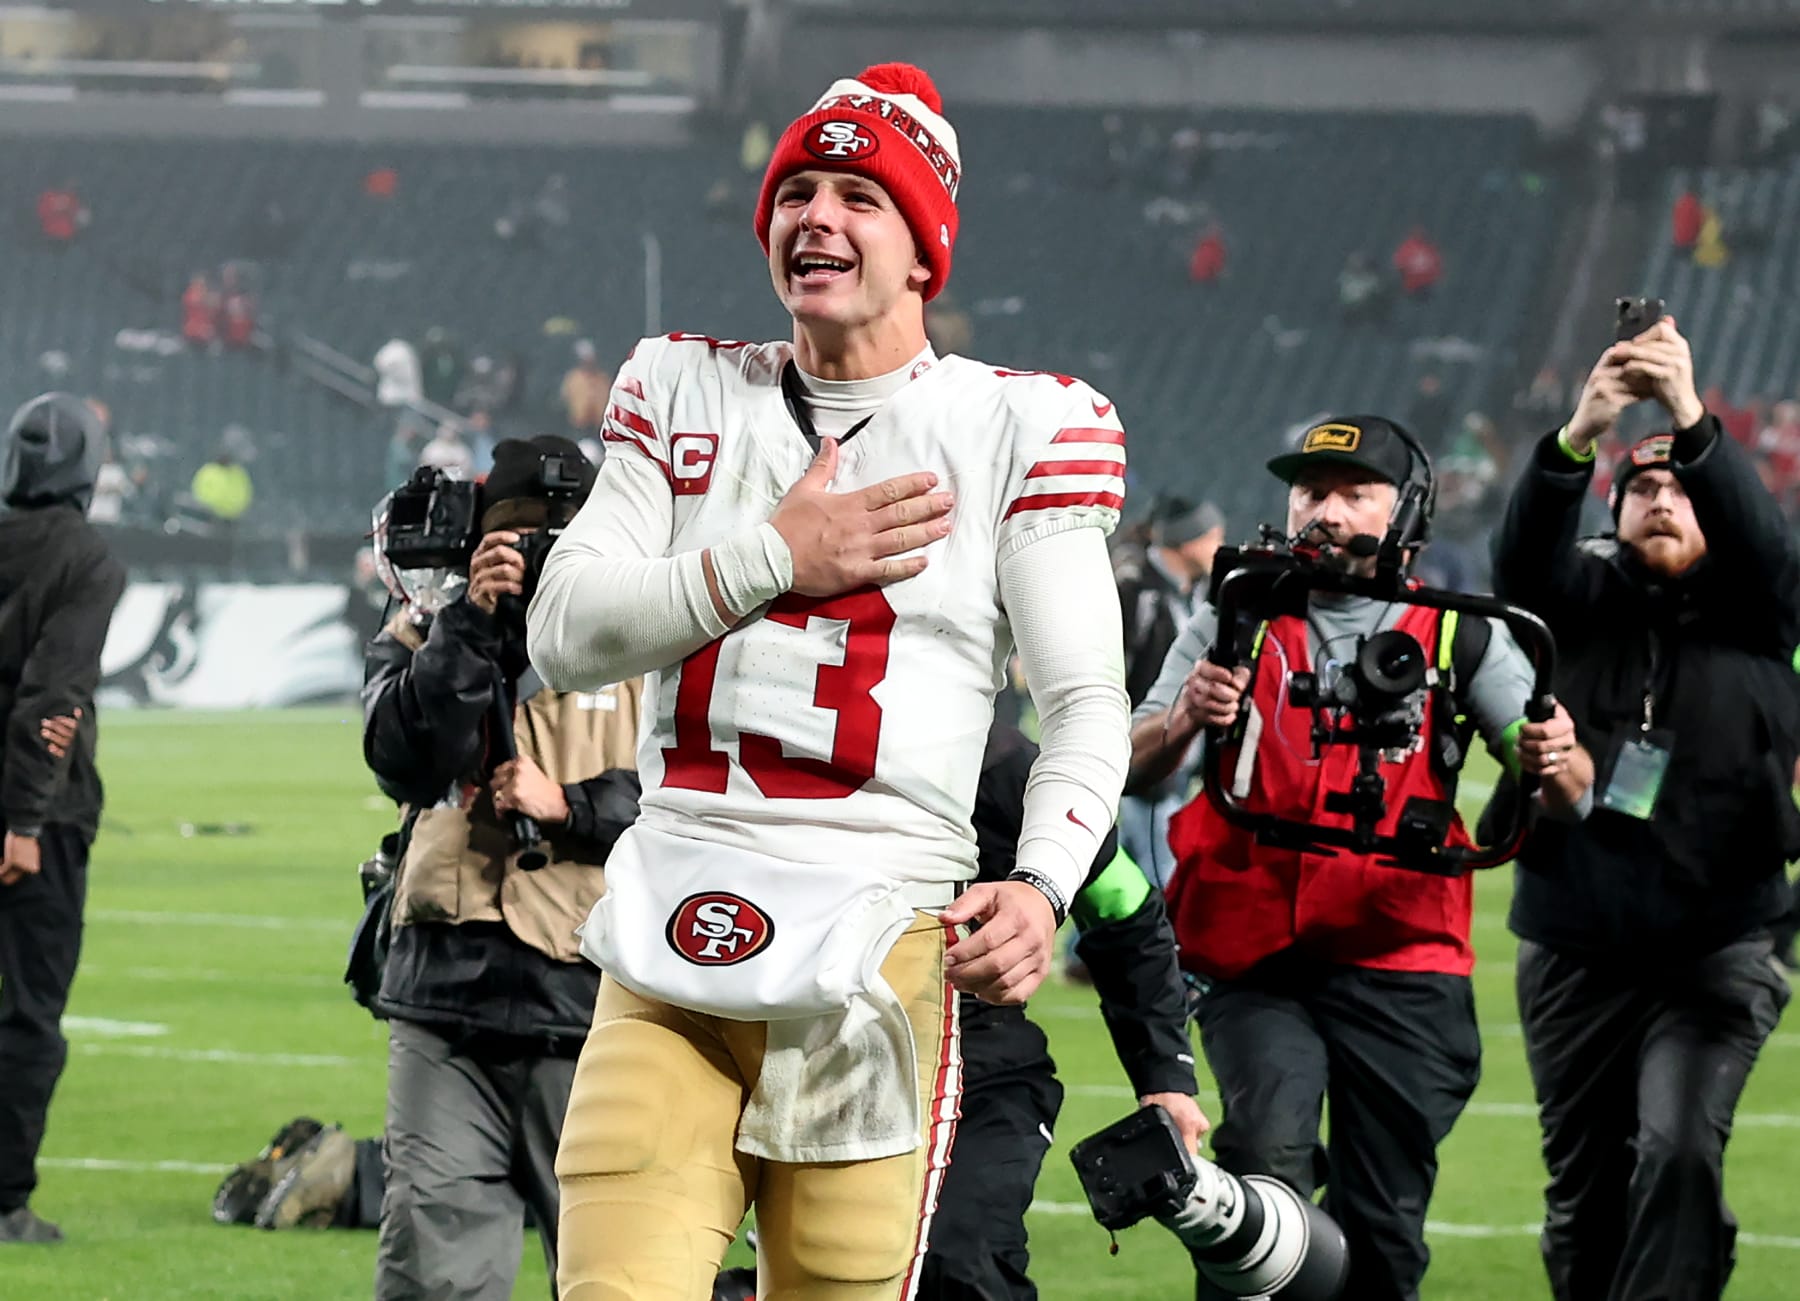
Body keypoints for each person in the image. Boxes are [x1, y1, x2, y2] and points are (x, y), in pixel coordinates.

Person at [527, 60, 1131, 1301]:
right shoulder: (681, 387)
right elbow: (564, 630)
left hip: (880, 945)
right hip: (671, 922)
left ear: (925, 251)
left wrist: (1043, 883)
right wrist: (772, 557)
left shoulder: (1017, 424)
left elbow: (1083, 703)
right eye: (796, 190)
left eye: (859, 195)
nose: (816, 216)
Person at [211, 719, 1205, 1301]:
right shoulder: (725, 747)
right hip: (743, 1033)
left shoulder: (990, 764)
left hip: (962, 1058)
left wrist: (1164, 1074)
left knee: (955, 1267)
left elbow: (1121, 907)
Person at [1127, 414, 1589, 1301]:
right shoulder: (1234, 613)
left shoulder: (1464, 632)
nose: (1325, 512)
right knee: (1261, 1168)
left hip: (1400, 956)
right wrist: (1184, 715)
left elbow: (1573, 788)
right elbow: (1137, 768)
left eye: (1352, 492)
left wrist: (1556, 755)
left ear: (1406, 509)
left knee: (1383, 1225)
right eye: (1310, 491)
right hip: (1256, 949)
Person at [1491, 318, 1800, 1301]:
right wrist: (1583, 428)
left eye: (1681, 487)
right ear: (1612, 512)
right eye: (1642, 488)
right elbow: (1522, 562)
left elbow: (1761, 536)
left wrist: (1687, 415)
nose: (1661, 499)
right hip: (1576, 943)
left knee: (1675, 1149)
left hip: (1716, 944)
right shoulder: (1577, 601)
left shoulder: (1760, 609)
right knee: (1585, 1188)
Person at [362, 436, 643, 1299]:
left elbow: (710, 797)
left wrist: (573, 804)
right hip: (450, 995)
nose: (538, 557)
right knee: (436, 1279)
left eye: (558, 540)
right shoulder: (429, 627)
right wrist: (471, 625)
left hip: (597, 1002)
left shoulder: (654, 628)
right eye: (519, 540)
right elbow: (401, 761)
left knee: (621, 1277)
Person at [0, 394, 128, 1245]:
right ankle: (5, 1200)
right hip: (38, 820)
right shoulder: (87, 558)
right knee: (28, 1015)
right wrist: (23, 820)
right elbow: (55, 699)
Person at [1114, 498, 1226, 892]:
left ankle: (1086, 952)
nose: (1219, 545)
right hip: (1141, 758)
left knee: (1129, 882)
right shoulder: (1135, 591)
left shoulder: (1195, 595)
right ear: (1187, 542)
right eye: (1212, 536)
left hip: (1176, 764)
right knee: (1159, 889)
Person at [558, 341, 610, 441]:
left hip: (598, 428)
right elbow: (564, 399)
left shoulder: (603, 379)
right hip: (578, 426)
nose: (588, 362)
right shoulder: (573, 378)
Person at [188, 446, 253, 523]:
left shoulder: (238, 473)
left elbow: (246, 492)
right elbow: (198, 489)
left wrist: (236, 509)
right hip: (209, 514)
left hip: (232, 517)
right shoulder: (209, 471)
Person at [1392, 226, 1442, 297]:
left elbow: (1437, 267)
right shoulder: (1408, 247)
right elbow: (1399, 264)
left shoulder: (1429, 249)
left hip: (1425, 286)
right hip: (1412, 287)